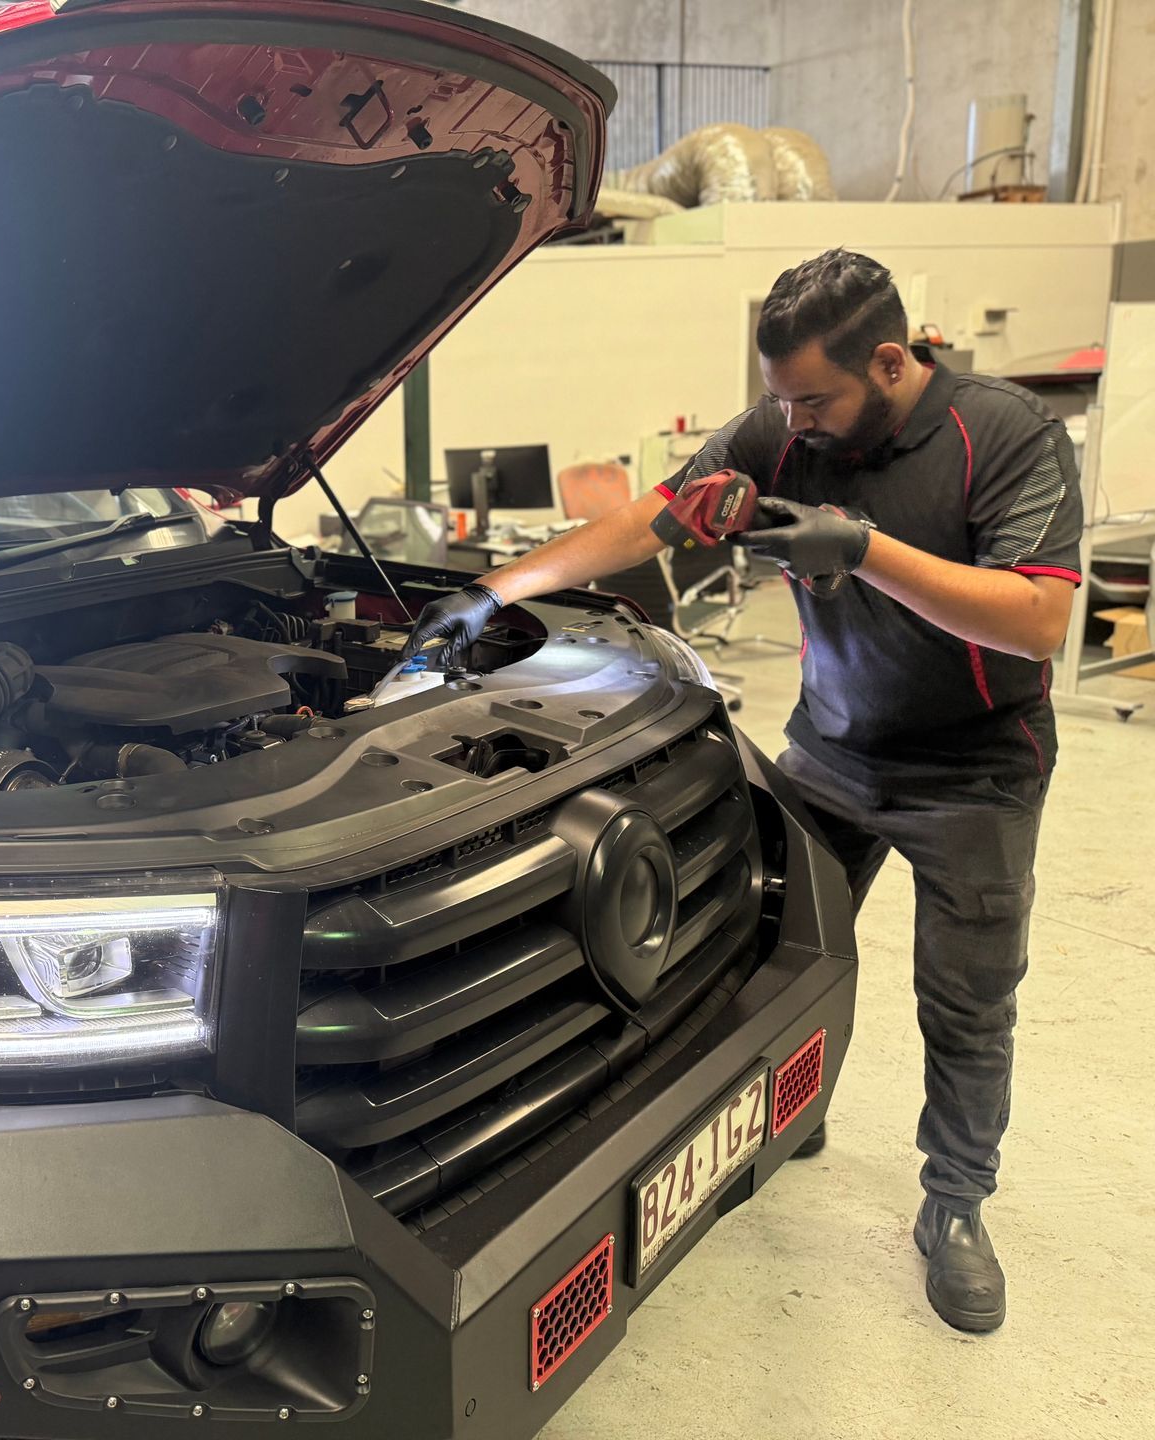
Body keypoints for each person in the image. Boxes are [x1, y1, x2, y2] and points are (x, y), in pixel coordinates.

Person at [405, 249, 1082, 1334]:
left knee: (967, 1002)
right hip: (834, 750)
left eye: (816, 399)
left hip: (976, 773)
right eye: (781, 401)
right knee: (766, 946)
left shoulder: (1000, 435)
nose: (793, 426)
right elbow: (650, 520)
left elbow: (1036, 618)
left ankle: (953, 1206)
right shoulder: (784, 424)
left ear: (893, 361)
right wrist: (493, 591)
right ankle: (790, 1101)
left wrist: (863, 548)